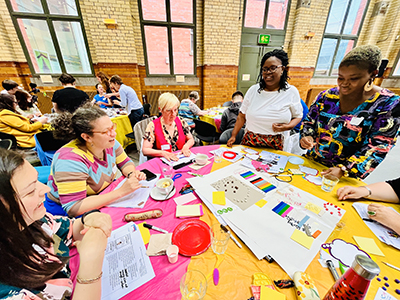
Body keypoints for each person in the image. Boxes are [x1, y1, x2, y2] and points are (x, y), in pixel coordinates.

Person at [0, 148, 111, 300]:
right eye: (31, 190)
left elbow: (69, 229)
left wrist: (89, 218)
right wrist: (91, 264)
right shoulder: (9, 293)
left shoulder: (33, 221)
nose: (45, 188)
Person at [300, 45, 400, 180]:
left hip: (344, 176)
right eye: (341, 78)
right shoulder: (327, 96)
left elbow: (378, 146)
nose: (344, 84)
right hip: (310, 166)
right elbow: (309, 122)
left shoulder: (387, 104)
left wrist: (344, 169)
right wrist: (307, 137)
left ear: (373, 74)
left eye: (353, 79)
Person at [46, 105, 146, 217]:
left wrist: (131, 174)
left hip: (102, 194)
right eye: (106, 131)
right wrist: (121, 192)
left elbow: (125, 163)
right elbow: (74, 207)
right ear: (87, 137)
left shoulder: (109, 143)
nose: (114, 134)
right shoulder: (69, 160)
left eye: (112, 127)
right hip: (67, 211)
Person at [227, 49, 303, 149]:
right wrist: (233, 135)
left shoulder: (291, 92)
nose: (268, 72)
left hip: (278, 144)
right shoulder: (253, 90)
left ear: (283, 69)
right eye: (265, 69)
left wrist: (288, 126)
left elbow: (298, 116)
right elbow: (241, 115)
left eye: (273, 68)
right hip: (251, 142)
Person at [142, 93, 195, 161]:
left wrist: (186, 147)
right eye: (169, 110)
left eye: (175, 110)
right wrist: (162, 153)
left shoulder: (181, 121)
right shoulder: (153, 125)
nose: (173, 114)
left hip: (180, 160)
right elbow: (145, 150)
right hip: (163, 163)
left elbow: (191, 139)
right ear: (160, 110)